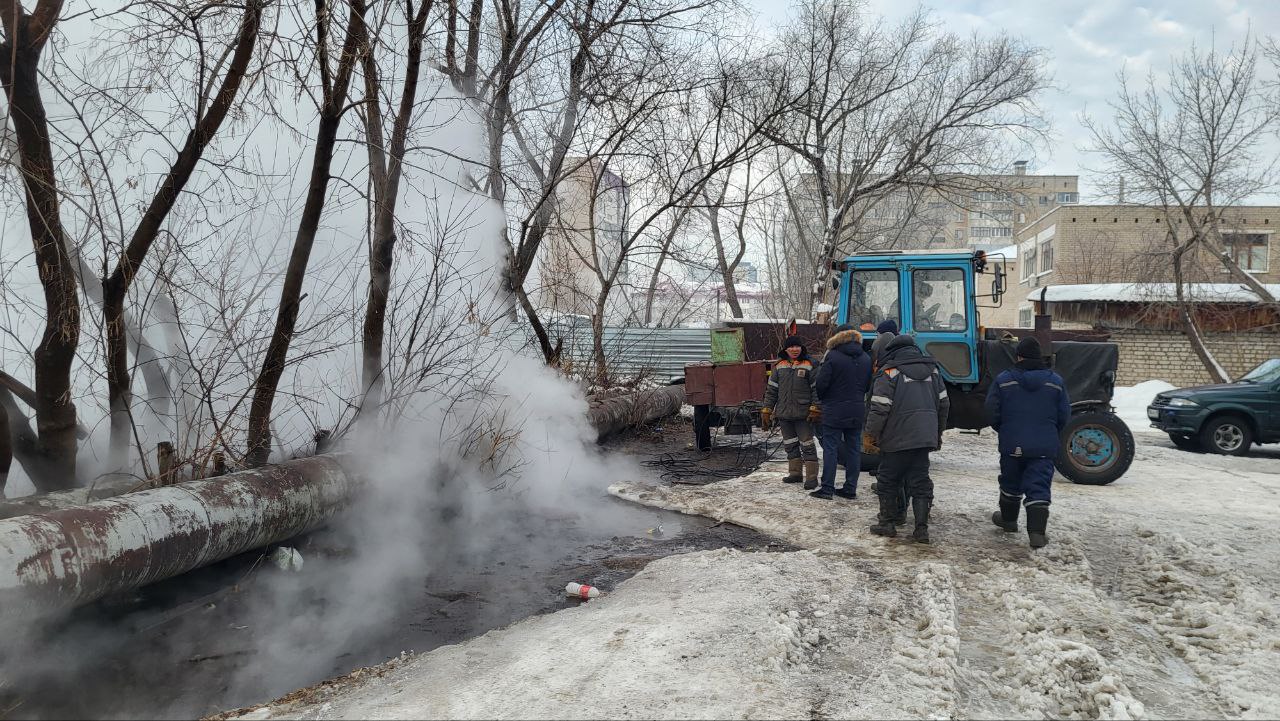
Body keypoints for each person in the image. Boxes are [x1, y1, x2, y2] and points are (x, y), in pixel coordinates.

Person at [984, 337, 1070, 549]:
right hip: (1043, 446)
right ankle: (1037, 534)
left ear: (1019, 356)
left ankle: (1009, 521)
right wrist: (1049, 432)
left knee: (1010, 482)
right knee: (1038, 486)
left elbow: (991, 411)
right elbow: (1064, 415)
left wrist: (1005, 429)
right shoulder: (1056, 382)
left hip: (1012, 443)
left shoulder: (1004, 380)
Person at [864, 334, 950, 543]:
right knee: (920, 482)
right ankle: (921, 529)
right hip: (923, 438)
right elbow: (944, 405)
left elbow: (880, 408)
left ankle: (887, 523)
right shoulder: (934, 371)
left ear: (892, 351)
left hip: (896, 437)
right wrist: (936, 432)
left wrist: (870, 435)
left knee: (887, 480)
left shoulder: (890, 372)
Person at [813, 324, 872, 500]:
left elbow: (821, 384)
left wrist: (825, 399)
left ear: (838, 337)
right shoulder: (866, 358)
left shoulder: (833, 356)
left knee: (831, 448)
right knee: (854, 448)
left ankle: (827, 489)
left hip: (834, 409)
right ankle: (850, 488)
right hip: (856, 409)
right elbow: (868, 385)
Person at [762, 336, 820, 489]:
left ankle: (812, 477)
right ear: (786, 349)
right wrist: (767, 410)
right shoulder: (779, 366)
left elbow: (816, 390)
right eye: (791, 347)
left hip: (803, 414)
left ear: (801, 348)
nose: (795, 349)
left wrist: (815, 408)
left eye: (797, 346)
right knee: (790, 444)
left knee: (807, 445)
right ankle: (795, 473)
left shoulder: (810, 365)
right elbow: (771, 390)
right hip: (784, 414)